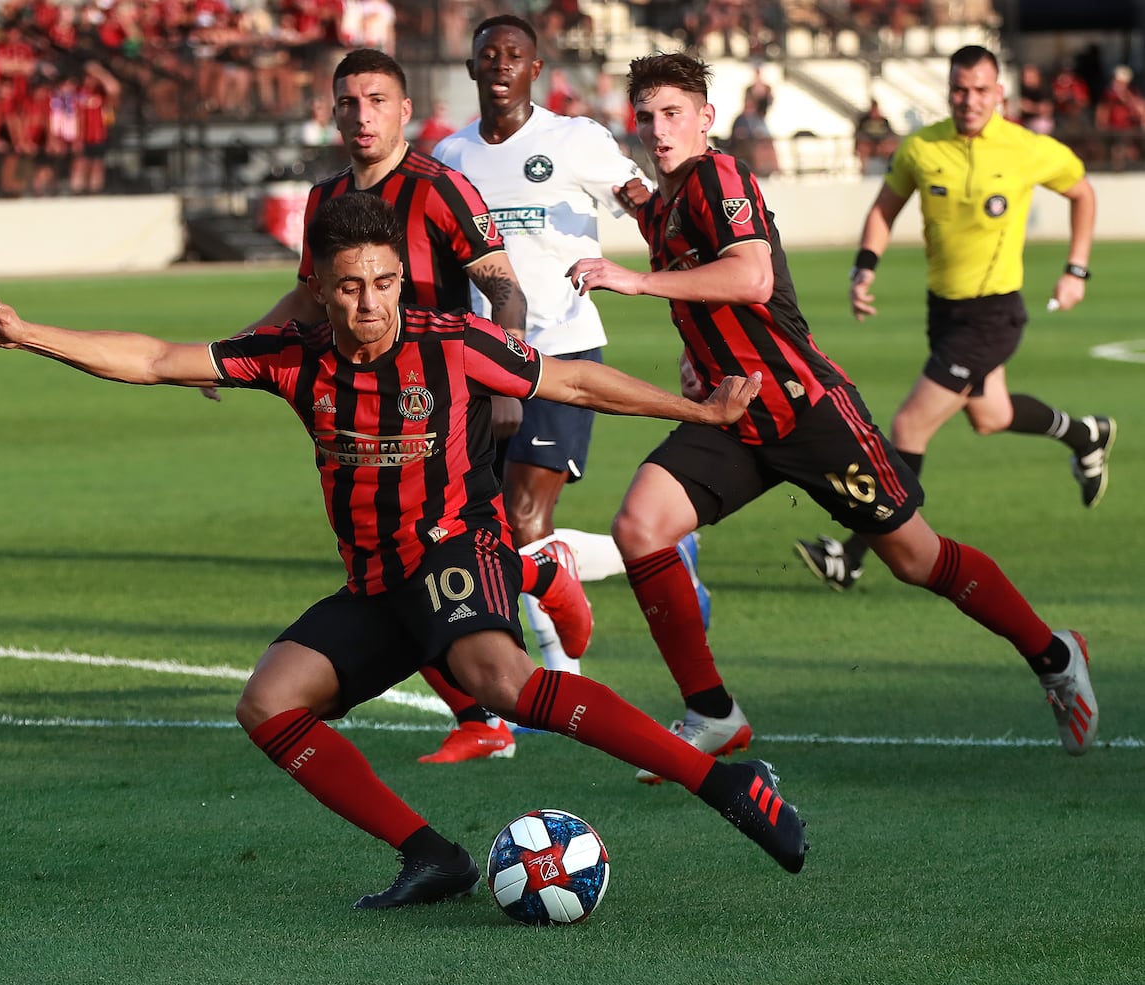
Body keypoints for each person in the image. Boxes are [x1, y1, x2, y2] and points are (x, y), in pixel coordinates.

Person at [0, 192, 808, 905]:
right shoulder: (290, 359)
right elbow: (154, 358)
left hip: (454, 547)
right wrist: (27, 333)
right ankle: (431, 855)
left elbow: (574, 380)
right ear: (321, 290)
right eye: (350, 287)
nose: (372, 302)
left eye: (384, 282)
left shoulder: (449, 342)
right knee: (268, 704)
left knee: (498, 682)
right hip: (377, 582)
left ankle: (724, 784)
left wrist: (695, 413)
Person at [566, 52, 1099, 771]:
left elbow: (752, 277)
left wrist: (632, 281)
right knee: (639, 525)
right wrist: (698, 354)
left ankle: (1053, 652)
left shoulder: (718, 177)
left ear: (705, 119)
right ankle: (712, 712)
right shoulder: (662, 206)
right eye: (646, 117)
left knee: (916, 559)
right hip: (734, 414)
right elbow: (699, 280)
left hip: (805, 413)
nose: (658, 130)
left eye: (672, 114)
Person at [230, 47, 587, 765]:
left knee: (424, 550)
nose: (361, 116)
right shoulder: (324, 199)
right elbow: (308, 295)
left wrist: (502, 377)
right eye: (348, 103)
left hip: (446, 393)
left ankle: (526, 592)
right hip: (365, 399)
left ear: (402, 110)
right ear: (332, 113)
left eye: (376, 101)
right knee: (388, 560)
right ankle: (487, 690)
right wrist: (241, 346)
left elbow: (504, 287)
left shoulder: (441, 188)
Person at [434, 15, 711, 679]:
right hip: (484, 359)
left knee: (526, 519)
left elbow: (644, 203)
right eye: (488, 55)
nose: (500, 66)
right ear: (472, 69)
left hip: (561, 351)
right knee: (499, 527)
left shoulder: (574, 140)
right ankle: (660, 552)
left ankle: (559, 676)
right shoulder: (449, 157)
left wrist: (678, 278)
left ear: (537, 70)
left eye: (515, 56)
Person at [795, 45, 1111, 594]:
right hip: (943, 311)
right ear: (949, 91)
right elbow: (883, 209)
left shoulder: (1025, 148)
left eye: (980, 90)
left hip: (992, 315)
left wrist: (1076, 270)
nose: (969, 100)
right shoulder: (923, 146)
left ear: (1000, 95)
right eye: (960, 90)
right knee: (992, 415)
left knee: (909, 426)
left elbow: (1083, 192)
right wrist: (862, 271)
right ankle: (1085, 435)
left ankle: (851, 558)